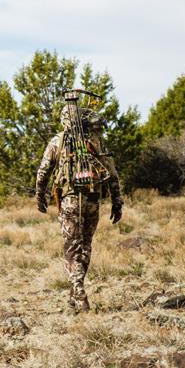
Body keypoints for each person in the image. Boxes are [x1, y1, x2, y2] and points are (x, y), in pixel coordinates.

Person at [36, 106, 123, 313]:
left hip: (70, 201)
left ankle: (79, 292)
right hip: (93, 200)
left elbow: (43, 171)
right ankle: (74, 296)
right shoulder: (96, 141)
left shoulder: (57, 141)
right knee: (85, 246)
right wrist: (117, 201)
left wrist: (40, 195)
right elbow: (112, 174)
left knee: (71, 248)